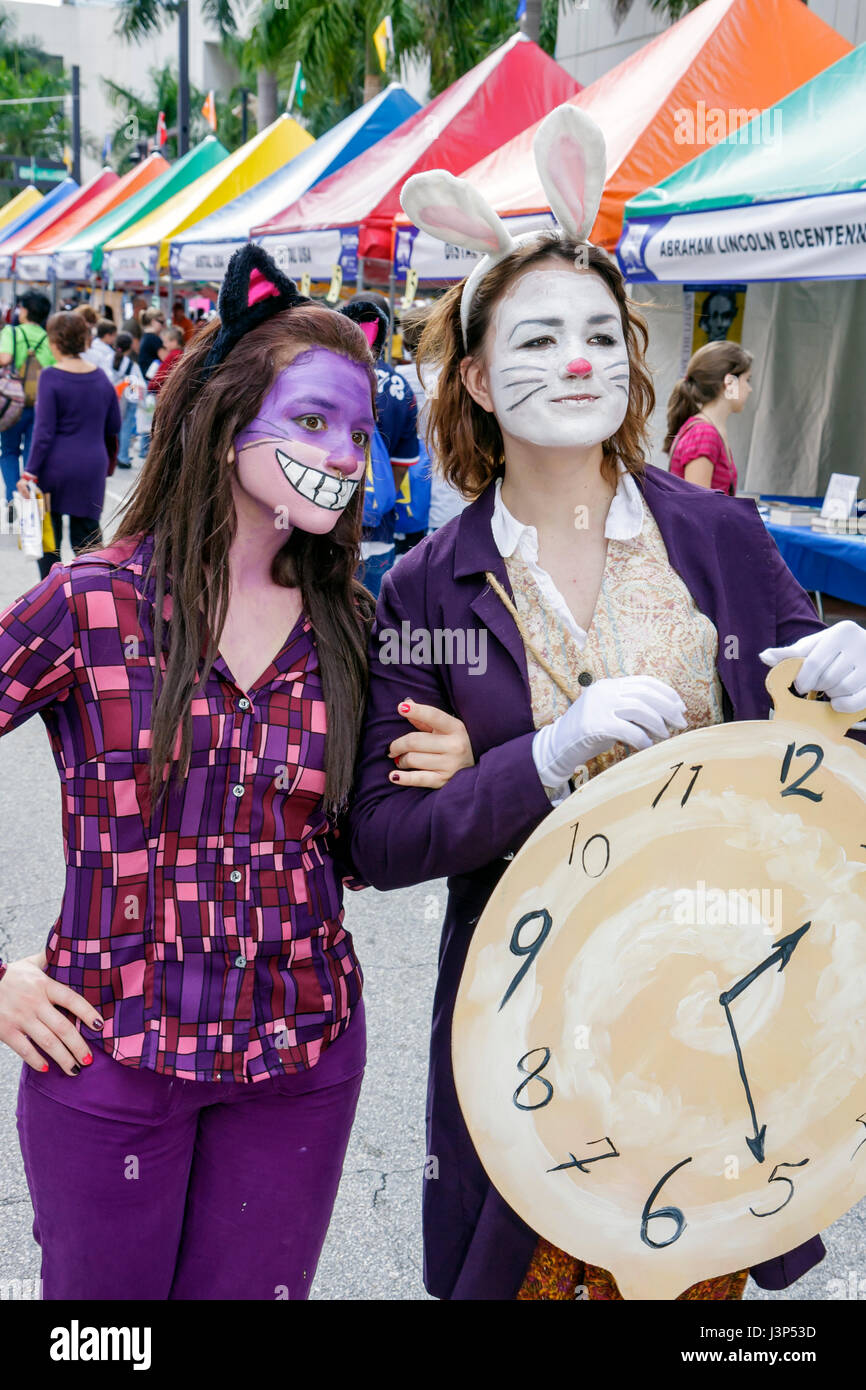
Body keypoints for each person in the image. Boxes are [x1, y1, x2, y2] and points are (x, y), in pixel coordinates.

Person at [346, 104, 866, 1302]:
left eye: (599, 333)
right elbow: (378, 836)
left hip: (726, 1018)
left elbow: (820, 740)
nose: (577, 361)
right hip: (529, 1032)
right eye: (537, 338)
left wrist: (850, 672)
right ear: (473, 376)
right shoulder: (426, 583)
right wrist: (541, 755)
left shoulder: (719, 538)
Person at [0, 245, 468, 1301]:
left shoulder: (357, 625)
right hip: (109, 1055)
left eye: (356, 431)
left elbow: (373, 848)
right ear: (224, 423)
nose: (343, 454)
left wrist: (464, 761)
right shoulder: (89, 603)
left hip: (298, 1062)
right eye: (310, 422)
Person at [16, 311, 121, 580]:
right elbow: (114, 426)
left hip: (54, 467)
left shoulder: (51, 376)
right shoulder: (101, 379)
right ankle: (93, 593)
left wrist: (29, 473)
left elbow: (44, 432)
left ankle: (53, 596)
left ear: (55, 342)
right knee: (87, 537)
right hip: (90, 466)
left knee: (48, 539)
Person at [347, 290, 419, 597]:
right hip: (379, 530)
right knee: (371, 624)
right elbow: (400, 469)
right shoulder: (401, 388)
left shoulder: (330, 376)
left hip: (326, 527)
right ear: (386, 333)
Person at [400, 303, 467, 535]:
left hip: (403, 495)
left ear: (407, 345)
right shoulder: (462, 379)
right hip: (452, 497)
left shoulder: (396, 381)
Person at [665, 341, 753, 495]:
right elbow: (698, 510)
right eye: (747, 380)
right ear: (730, 383)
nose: (749, 389)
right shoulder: (704, 434)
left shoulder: (711, 430)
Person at [0, 289, 54, 512]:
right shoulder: (49, 337)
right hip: (42, 404)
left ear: (26, 310)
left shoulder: (11, 333)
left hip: (13, 403)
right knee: (33, 455)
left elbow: (5, 358)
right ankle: (30, 501)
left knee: (10, 451)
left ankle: (13, 497)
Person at [112, 331, 137, 470]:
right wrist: (134, 402)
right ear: (130, 346)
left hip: (112, 397)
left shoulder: (109, 358)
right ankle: (123, 457)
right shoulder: (130, 365)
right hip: (125, 399)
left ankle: (114, 454)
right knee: (126, 426)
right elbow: (132, 386)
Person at [148, 324, 184, 393]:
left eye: (165, 342)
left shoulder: (173, 356)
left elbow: (157, 380)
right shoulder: (182, 354)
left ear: (174, 342)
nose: (164, 345)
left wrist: (151, 386)